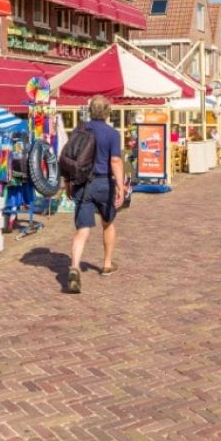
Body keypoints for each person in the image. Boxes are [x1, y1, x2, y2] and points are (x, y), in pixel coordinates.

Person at [66, 95, 126, 294]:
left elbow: (70, 157)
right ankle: (107, 264)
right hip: (103, 183)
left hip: (82, 184)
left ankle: (74, 267)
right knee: (108, 222)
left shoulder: (79, 130)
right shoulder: (112, 133)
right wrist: (121, 187)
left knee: (82, 229)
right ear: (108, 112)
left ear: (90, 111)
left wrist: (68, 183)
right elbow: (115, 161)